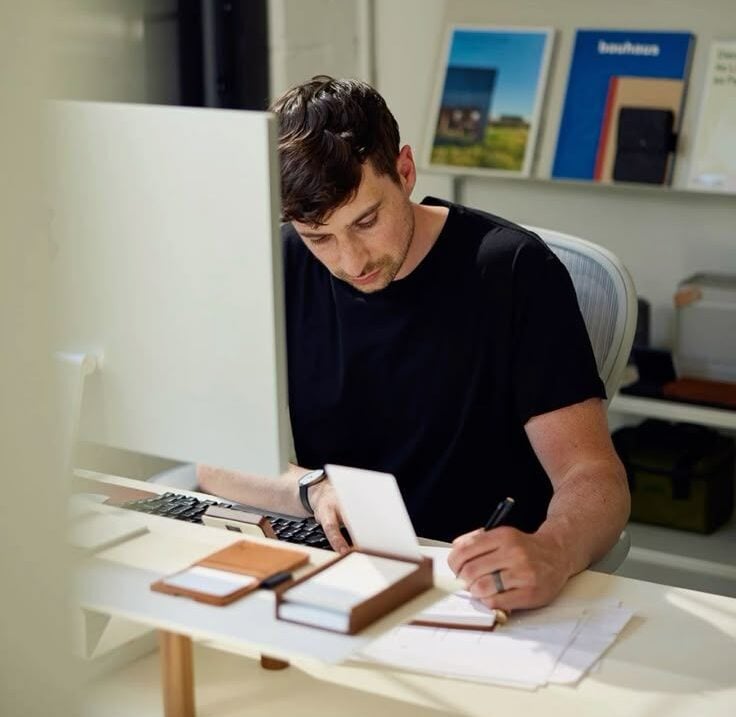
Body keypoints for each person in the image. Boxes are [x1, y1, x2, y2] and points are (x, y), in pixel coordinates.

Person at [198, 76, 630, 612]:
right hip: (345, 574)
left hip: (474, 585)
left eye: (367, 220)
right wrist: (312, 488)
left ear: (404, 171)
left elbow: (593, 476)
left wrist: (553, 549)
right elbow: (214, 459)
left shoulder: (513, 271)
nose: (349, 261)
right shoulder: (284, 263)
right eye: (320, 238)